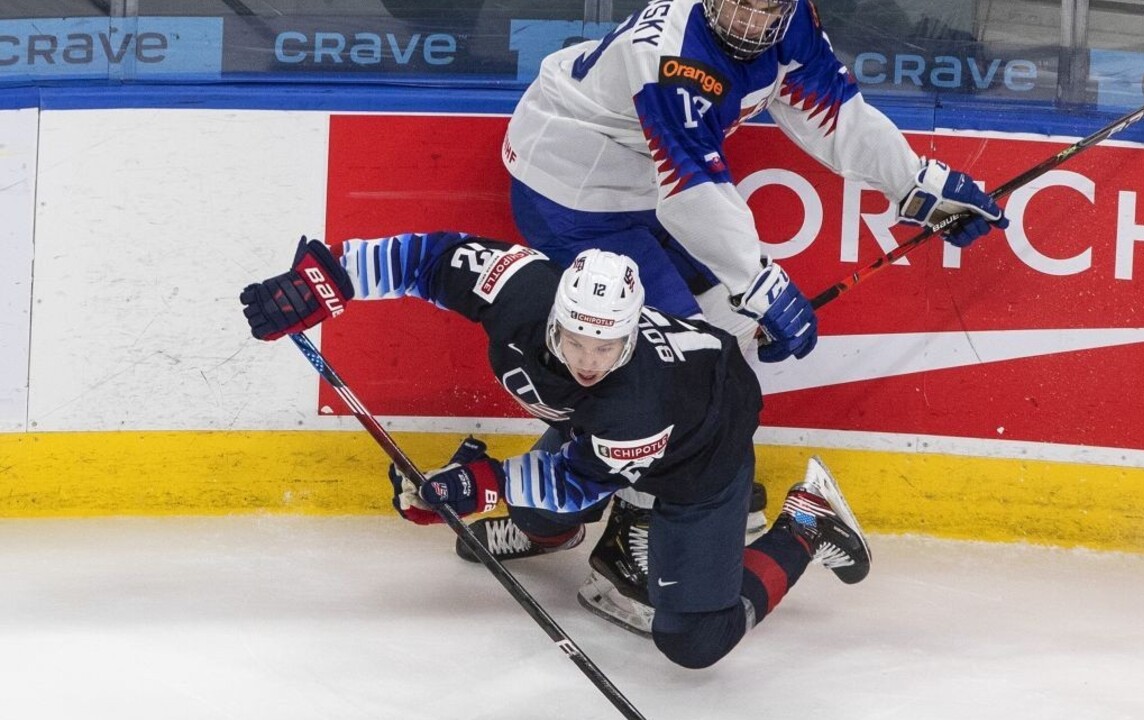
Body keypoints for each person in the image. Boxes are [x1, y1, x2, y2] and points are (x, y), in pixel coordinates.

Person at [499, 0, 1009, 628]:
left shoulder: (791, 22)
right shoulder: (676, 56)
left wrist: (915, 183)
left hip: (643, 187)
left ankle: (638, 496)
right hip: (574, 189)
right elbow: (692, 190)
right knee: (669, 363)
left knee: (724, 341)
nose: (747, 17)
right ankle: (621, 531)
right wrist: (760, 284)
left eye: (764, 2)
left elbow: (833, 110)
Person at [240, 232, 872, 667]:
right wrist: (325, 281)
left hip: (703, 441)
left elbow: (575, 479)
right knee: (537, 511)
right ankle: (550, 537)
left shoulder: (634, 402)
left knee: (694, 640)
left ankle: (806, 524)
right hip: (601, 435)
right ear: (555, 316)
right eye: (576, 341)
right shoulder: (522, 288)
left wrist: (476, 485)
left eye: (607, 346)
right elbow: (429, 260)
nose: (589, 360)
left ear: (630, 331)